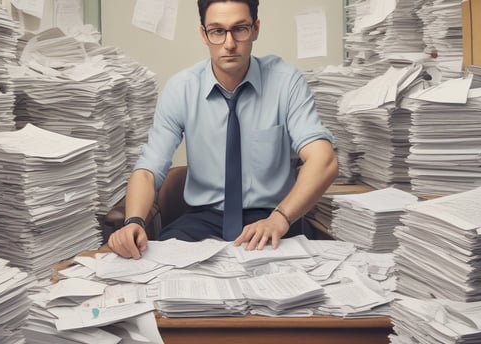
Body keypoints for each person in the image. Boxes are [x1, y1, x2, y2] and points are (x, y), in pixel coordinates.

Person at [108, 0, 338, 259]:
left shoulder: (286, 82)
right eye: (217, 31)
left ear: (256, 29)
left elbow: (324, 161)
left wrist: (280, 218)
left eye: (239, 29)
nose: (229, 43)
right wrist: (134, 221)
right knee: (162, 272)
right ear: (203, 34)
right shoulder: (181, 88)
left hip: (273, 217)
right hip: (204, 220)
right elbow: (149, 170)